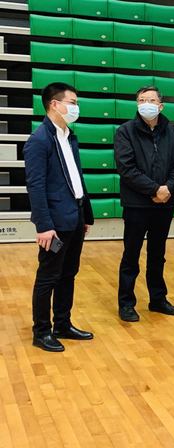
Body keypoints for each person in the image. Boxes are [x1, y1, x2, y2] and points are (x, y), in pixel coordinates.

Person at [24, 82, 95, 352]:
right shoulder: (39, 140)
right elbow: (36, 186)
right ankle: (41, 331)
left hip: (75, 218)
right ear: (54, 104)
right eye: (72, 102)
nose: (76, 107)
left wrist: (85, 215)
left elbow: (77, 179)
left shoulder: (69, 137)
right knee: (48, 276)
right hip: (54, 226)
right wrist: (44, 226)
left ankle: (62, 324)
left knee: (69, 273)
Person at [115, 86, 174, 322]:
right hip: (137, 205)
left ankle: (158, 299)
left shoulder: (172, 132)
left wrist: (168, 189)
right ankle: (126, 303)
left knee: (158, 254)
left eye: (151, 100)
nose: (146, 103)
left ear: (161, 106)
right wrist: (155, 189)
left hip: (165, 204)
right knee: (131, 255)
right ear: (137, 104)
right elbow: (127, 169)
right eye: (142, 100)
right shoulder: (125, 131)